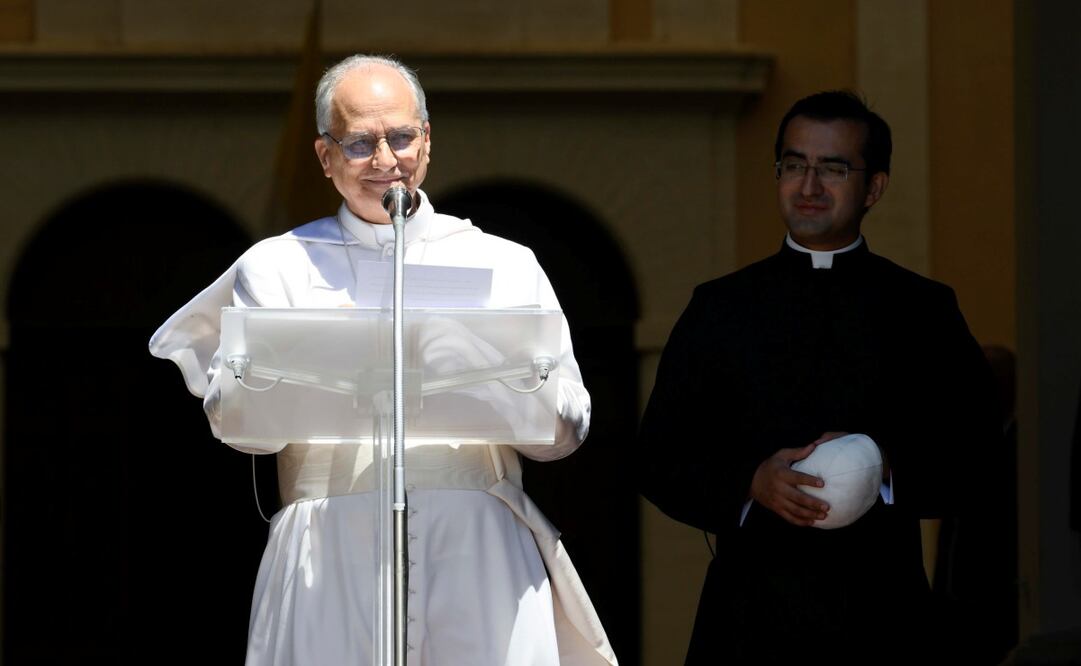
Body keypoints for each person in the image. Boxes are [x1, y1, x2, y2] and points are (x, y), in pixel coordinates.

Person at [149, 54, 617, 666]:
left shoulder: (505, 262)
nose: (385, 160)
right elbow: (248, 434)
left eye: (401, 137)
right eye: (360, 142)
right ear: (324, 155)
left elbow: (563, 432)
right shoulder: (277, 265)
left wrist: (499, 377)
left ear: (427, 140)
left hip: (477, 550)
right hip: (327, 548)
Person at [637, 90, 1001, 664]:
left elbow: (980, 456)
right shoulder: (719, 308)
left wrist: (882, 468)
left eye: (832, 168)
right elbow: (657, 456)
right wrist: (750, 482)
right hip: (747, 623)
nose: (808, 186)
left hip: (885, 622)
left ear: (874, 187)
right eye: (793, 165)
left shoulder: (923, 310)